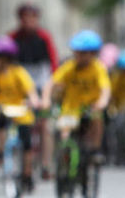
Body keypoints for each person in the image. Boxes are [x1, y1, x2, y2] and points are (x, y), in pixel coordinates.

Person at [9, 3, 60, 179]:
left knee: (45, 126)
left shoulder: (44, 38)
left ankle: (46, 165)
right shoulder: (13, 38)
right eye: (26, 18)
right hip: (21, 88)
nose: (29, 21)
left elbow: (54, 64)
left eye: (33, 18)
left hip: (42, 84)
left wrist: (52, 89)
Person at [44, 30, 111, 163]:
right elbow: (51, 83)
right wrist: (45, 99)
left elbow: (105, 88)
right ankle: (64, 163)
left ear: (92, 54)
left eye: (83, 53)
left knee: (97, 118)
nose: (79, 56)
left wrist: (102, 101)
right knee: (65, 134)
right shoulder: (69, 67)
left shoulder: (98, 69)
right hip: (70, 109)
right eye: (77, 52)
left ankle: (94, 151)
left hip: (90, 108)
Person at [0, 36, 40, 187]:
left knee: (26, 143)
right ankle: (1, 152)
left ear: (4, 58)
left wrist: (34, 100)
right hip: (3, 110)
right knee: (1, 126)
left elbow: (30, 89)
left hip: (21, 112)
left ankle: (27, 172)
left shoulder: (18, 72)